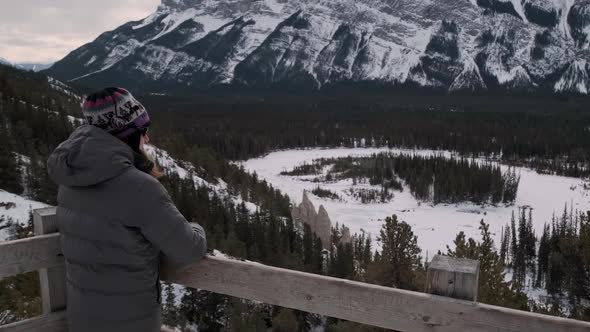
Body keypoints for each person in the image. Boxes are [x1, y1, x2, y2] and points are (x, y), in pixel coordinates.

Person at [47, 87, 207, 332]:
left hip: (82, 318)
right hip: (132, 320)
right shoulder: (140, 188)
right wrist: (196, 227)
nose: (147, 138)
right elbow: (189, 250)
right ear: (126, 133)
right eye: (143, 129)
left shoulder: (70, 179)